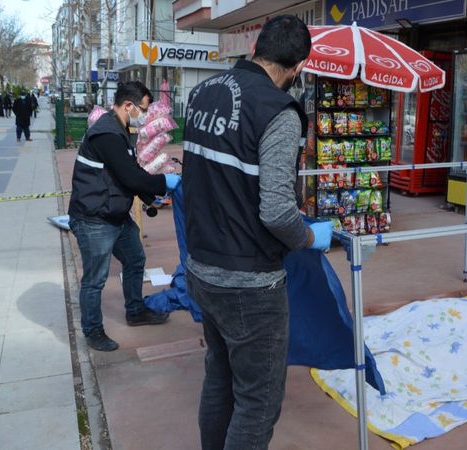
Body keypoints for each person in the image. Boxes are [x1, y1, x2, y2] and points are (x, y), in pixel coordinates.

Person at [182, 15, 333, 450]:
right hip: (249, 283)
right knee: (258, 402)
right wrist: (308, 237)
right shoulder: (278, 112)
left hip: (202, 266)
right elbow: (278, 212)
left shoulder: (203, 92)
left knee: (220, 378)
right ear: (299, 66)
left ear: (255, 48)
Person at [68, 81, 181, 352]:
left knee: (135, 259)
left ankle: (135, 310)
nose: (143, 114)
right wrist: (165, 181)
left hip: (115, 214)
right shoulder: (106, 133)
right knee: (95, 278)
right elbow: (130, 175)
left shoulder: (121, 130)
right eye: (142, 109)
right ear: (128, 105)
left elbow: (127, 173)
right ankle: (93, 330)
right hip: (94, 218)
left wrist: (149, 198)